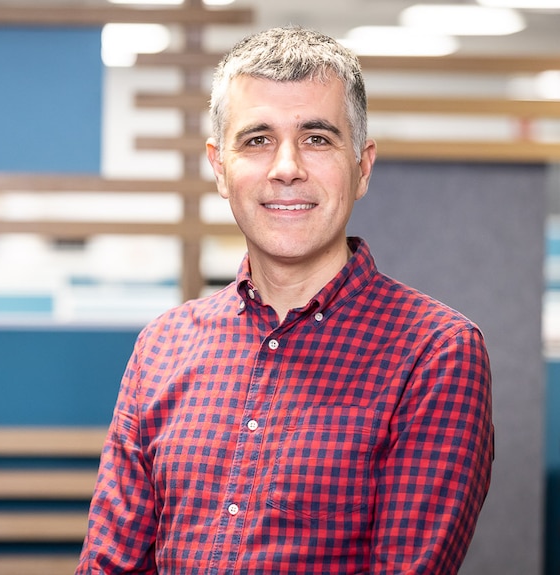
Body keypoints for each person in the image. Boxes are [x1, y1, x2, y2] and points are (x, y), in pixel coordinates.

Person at [76, 26, 494, 574]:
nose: (286, 167)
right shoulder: (164, 345)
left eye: (317, 138)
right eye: (257, 140)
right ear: (220, 168)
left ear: (362, 166)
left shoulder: (435, 353)